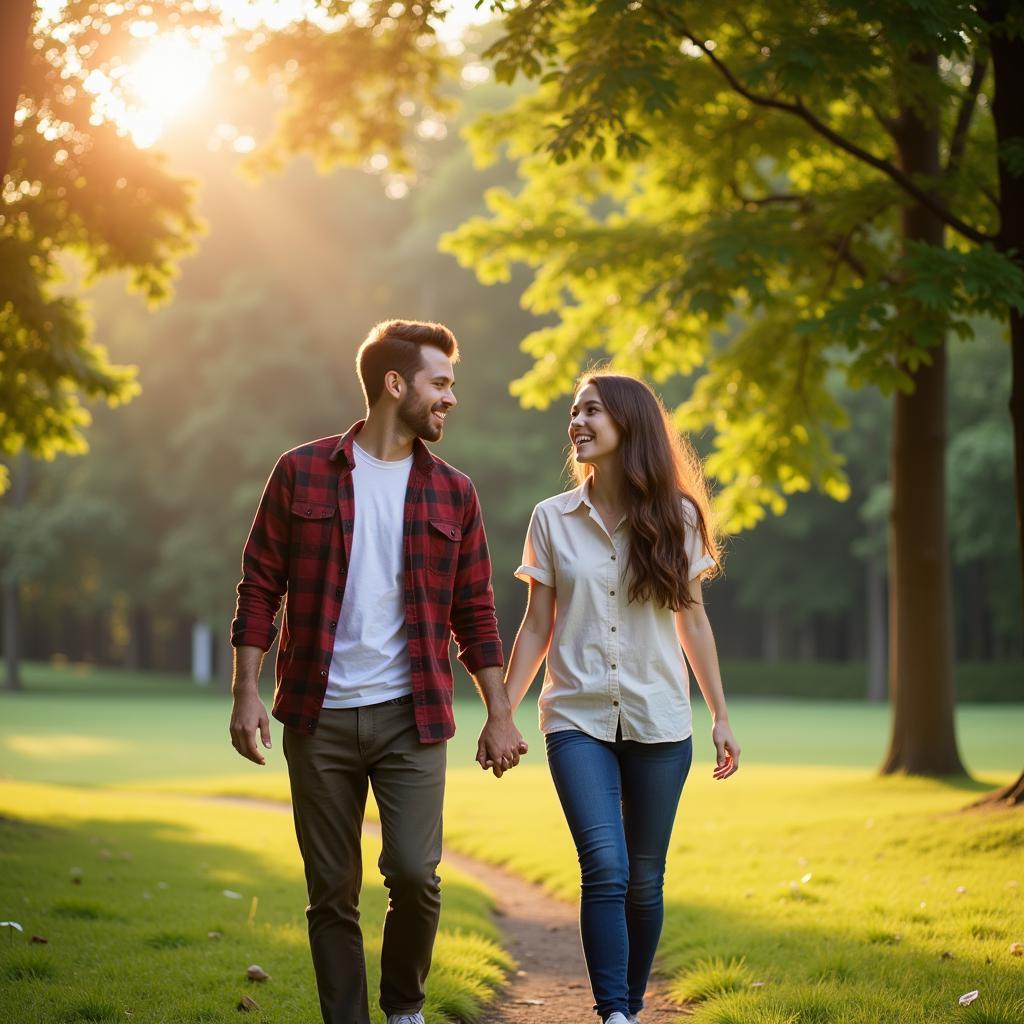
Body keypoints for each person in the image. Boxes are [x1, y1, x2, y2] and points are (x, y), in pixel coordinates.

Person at [228, 319, 527, 1024]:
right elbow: (259, 585)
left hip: (412, 714)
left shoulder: (455, 493)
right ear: (396, 384)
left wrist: (501, 710)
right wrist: (246, 693)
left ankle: (403, 1010)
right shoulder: (300, 471)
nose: (452, 398)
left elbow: (475, 610)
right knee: (332, 890)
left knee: (417, 877)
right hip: (316, 713)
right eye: (442, 382)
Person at [501, 370, 741, 1024]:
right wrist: (502, 711)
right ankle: (614, 1013)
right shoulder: (550, 519)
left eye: (592, 412)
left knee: (644, 879)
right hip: (575, 718)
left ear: (628, 425)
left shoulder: (678, 517)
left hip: (660, 721)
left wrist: (720, 716)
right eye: (574, 412)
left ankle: (628, 1007)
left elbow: (691, 619)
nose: (577, 422)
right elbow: (535, 626)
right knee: (604, 865)